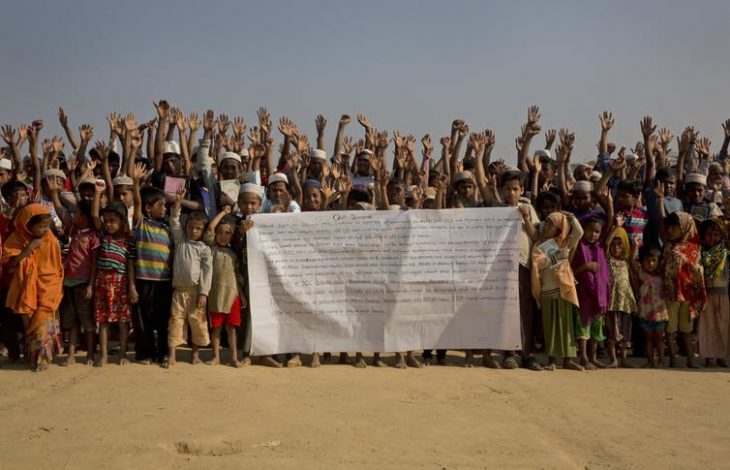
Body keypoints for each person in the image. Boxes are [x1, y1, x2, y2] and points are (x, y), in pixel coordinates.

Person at [1, 204, 64, 371]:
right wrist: (30, 248)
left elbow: (56, 265)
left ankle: (42, 359)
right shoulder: (17, 239)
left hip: (48, 286)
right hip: (26, 288)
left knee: (43, 322)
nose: (45, 230)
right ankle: (33, 356)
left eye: (47, 226)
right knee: (30, 324)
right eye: (41, 226)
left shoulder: (50, 238)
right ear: (28, 224)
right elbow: (12, 264)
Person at [531, 211, 584, 371]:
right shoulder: (538, 245)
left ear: (559, 228)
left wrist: (572, 217)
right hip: (547, 291)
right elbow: (538, 265)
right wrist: (558, 257)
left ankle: (568, 360)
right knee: (550, 327)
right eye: (546, 223)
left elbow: (579, 232)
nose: (546, 226)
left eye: (551, 224)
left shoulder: (564, 243)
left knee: (566, 326)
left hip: (563, 290)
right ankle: (552, 360)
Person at [131, 168, 174, 364]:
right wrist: (136, 183)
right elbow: (138, 202)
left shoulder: (166, 228)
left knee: (163, 319)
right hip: (143, 280)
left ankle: (164, 352)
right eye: (161, 205)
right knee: (143, 319)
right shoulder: (141, 225)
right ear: (149, 208)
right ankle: (145, 353)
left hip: (164, 281)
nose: (165, 209)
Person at [166, 190, 212, 367]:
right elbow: (174, 222)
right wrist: (177, 205)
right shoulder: (180, 240)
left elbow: (207, 273)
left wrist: (204, 293)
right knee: (175, 322)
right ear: (186, 227)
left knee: (197, 323)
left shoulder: (204, 249)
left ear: (203, 230)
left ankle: (195, 354)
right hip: (179, 292)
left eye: (198, 228)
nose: (194, 231)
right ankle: (172, 355)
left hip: (196, 292)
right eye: (191, 227)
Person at [91, 194, 136, 366]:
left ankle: (123, 354)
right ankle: (103, 355)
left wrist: (131, 287)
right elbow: (95, 215)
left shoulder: (128, 240)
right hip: (102, 281)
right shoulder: (103, 235)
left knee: (123, 321)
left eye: (112, 220)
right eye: (106, 220)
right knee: (102, 321)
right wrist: (98, 191)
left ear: (122, 221)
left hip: (121, 283)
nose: (108, 224)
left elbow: (130, 265)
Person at [662, 211, 707, 368]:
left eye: (675, 227)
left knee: (686, 329)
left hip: (687, 295)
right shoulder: (668, 245)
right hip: (671, 294)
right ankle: (673, 357)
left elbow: (698, 270)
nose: (670, 230)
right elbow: (662, 268)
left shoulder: (694, 247)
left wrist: (687, 262)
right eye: (669, 227)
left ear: (685, 227)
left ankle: (690, 357)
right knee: (671, 327)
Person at [60, 199, 100, 366]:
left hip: (83, 283)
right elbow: (62, 215)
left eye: (75, 213)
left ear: (84, 216)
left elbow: (94, 263)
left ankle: (90, 354)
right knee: (72, 321)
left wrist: (91, 284)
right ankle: (70, 355)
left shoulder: (93, 236)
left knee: (87, 321)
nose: (72, 215)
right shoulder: (74, 231)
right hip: (68, 282)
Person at [205, 206, 245, 367]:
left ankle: (234, 358)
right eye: (220, 232)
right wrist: (224, 212)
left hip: (232, 296)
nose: (223, 236)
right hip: (215, 295)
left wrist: (241, 294)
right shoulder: (211, 249)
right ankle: (216, 357)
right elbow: (210, 227)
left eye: (227, 233)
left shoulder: (233, 254)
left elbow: (237, 276)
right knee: (216, 329)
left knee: (231, 329)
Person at [571, 215, 609, 369]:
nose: (593, 234)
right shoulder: (578, 247)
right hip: (584, 295)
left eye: (597, 232)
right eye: (590, 231)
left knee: (596, 329)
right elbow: (571, 270)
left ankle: (593, 357)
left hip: (599, 296)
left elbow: (604, 274)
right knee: (583, 328)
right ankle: (584, 358)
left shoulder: (600, 248)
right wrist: (585, 267)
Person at [630, 243, 668, 368]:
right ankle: (650, 360)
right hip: (645, 312)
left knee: (659, 338)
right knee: (648, 338)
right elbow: (632, 261)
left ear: (658, 261)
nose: (650, 264)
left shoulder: (662, 276)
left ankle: (661, 360)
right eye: (647, 261)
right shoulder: (642, 274)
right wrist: (635, 247)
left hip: (660, 313)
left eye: (653, 261)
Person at [698, 218, 729, 367]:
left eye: (716, 234)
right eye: (708, 234)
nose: (712, 238)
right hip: (706, 295)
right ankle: (709, 355)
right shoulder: (700, 253)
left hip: (723, 294)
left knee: (722, 325)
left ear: (722, 235)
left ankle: (721, 355)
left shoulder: (726, 253)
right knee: (707, 326)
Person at [605, 225, 638, 368]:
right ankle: (613, 360)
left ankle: (624, 359)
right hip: (612, 301)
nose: (616, 248)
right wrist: (616, 227)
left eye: (619, 245)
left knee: (625, 331)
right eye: (613, 245)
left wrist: (635, 245)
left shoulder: (626, 261)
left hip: (625, 301)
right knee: (612, 332)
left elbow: (633, 257)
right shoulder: (608, 260)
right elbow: (605, 244)